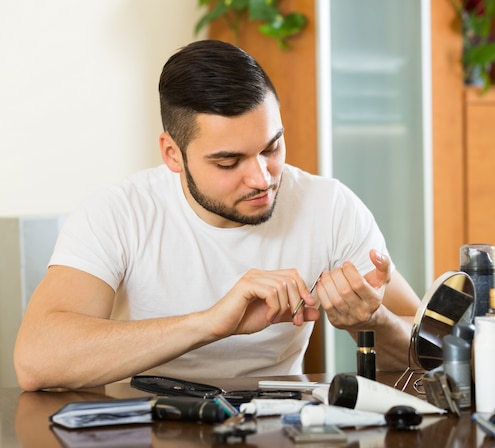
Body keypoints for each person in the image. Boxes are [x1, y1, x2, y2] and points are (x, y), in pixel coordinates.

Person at [13, 40, 421, 391]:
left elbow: (430, 361)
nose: (261, 178)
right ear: (173, 154)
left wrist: (372, 320)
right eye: (229, 162)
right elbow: (36, 359)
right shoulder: (119, 212)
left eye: (271, 148)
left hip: (281, 433)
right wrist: (210, 324)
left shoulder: (329, 206)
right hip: (142, 434)